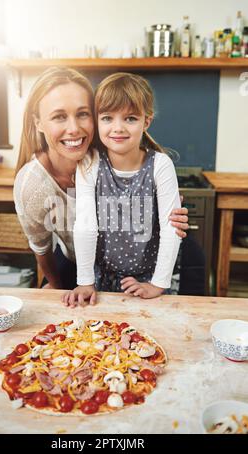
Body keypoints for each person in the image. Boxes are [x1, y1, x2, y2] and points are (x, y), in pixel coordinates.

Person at [14, 67, 188, 292]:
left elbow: (167, 224)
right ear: (38, 122)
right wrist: (58, 285)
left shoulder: (114, 150)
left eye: (82, 114)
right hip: (89, 268)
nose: (74, 129)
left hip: (151, 263)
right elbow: (43, 246)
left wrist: (164, 210)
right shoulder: (35, 182)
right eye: (59, 116)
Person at [63, 73, 182, 306]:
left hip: (150, 279)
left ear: (146, 121)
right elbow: (85, 223)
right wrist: (85, 281)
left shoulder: (161, 164)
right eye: (107, 118)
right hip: (102, 280)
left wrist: (157, 284)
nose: (118, 128)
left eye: (130, 118)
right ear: (97, 121)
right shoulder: (90, 163)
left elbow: (171, 228)